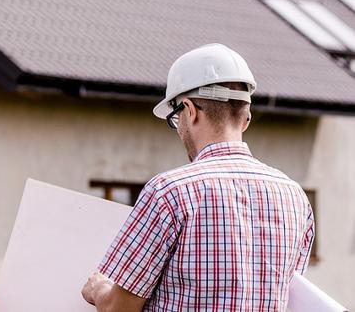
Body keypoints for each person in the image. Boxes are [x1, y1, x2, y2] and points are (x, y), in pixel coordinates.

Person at [81, 43, 315, 311]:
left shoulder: (169, 192)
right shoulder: (296, 198)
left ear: (189, 111)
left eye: (175, 118)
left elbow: (118, 308)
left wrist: (99, 289)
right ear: (246, 119)